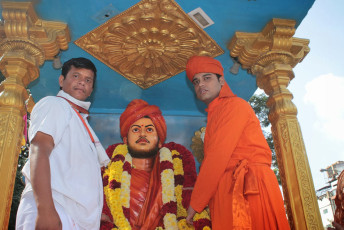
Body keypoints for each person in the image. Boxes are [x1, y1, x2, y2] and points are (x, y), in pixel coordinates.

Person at [185, 55, 290, 230]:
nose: (201, 84)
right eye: (196, 82)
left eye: (207, 78)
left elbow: (217, 157)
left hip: (249, 189)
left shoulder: (235, 106)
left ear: (222, 81)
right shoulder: (215, 114)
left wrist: (196, 202)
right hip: (228, 188)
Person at [16, 57, 110, 230]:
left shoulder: (79, 121)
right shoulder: (55, 104)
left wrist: (95, 215)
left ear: (91, 90)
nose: (82, 82)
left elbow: (72, 176)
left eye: (88, 80)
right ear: (61, 80)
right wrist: (45, 210)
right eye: (76, 76)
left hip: (70, 215)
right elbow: (39, 150)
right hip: (54, 208)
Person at [100, 99, 211, 230]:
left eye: (149, 130)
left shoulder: (175, 175)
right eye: (136, 130)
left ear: (160, 141)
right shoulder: (109, 174)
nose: (142, 134)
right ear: (125, 140)